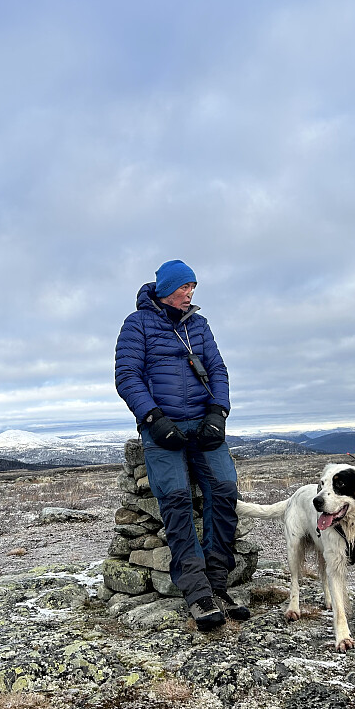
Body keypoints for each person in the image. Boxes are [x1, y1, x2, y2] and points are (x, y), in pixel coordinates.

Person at [115, 260, 250, 630]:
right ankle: (196, 591)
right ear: (166, 289)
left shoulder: (199, 326)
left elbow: (218, 370)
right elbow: (127, 375)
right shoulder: (137, 324)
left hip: (204, 423)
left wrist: (218, 412)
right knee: (174, 498)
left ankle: (217, 581)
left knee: (224, 489)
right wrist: (153, 419)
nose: (190, 294)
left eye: (193, 288)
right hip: (163, 426)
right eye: (184, 288)